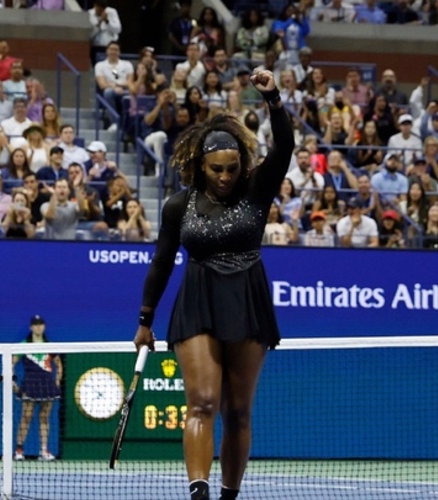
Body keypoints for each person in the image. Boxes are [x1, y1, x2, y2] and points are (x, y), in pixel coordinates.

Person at [132, 68, 294, 500]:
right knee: (202, 402)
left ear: (242, 163)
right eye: (216, 169)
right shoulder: (178, 205)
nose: (225, 177)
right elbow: (162, 263)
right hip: (198, 299)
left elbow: (286, 146)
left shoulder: (257, 189)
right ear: (200, 165)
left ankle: (228, 495)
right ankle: (199, 493)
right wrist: (145, 320)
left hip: (247, 297)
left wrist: (273, 98)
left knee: (238, 412)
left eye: (232, 168)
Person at [12, 314, 63, 461]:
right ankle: (19, 450)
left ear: (44, 326)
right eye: (35, 324)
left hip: (47, 385)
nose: (38, 327)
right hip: (30, 384)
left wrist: (57, 382)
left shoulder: (49, 346)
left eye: (40, 324)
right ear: (31, 327)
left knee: (44, 418)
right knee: (26, 417)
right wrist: (13, 383)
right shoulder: (24, 345)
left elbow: (59, 364)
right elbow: (11, 363)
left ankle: (44, 451)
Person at [94, 41, 134, 132]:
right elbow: (102, 84)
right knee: (108, 92)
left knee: (134, 93)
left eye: (116, 50)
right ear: (107, 51)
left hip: (126, 90)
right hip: (110, 90)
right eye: (111, 49)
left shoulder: (127, 64)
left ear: (119, 52)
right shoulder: (100, 65)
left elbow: (130, 83)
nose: (113, 52)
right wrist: (115, 87)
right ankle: (115, 123)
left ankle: (129, 125)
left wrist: (117, 85)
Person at [271, 2, 312, 68]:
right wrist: (291, 19)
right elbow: (278, 31)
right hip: (285, 51)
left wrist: (303, 16)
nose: (291, 13)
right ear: (284, 11)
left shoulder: (298, 24)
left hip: (298, 52)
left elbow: (306, 31)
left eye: (293, 11)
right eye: (289, 11)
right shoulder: (279, 22)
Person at [88, 0, 122, 66]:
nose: (100, 12)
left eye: (102, 10)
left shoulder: (112, 12)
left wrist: (107, 21)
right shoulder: (89, 14)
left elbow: (118, 30)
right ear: (95, 6)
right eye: (98, 10)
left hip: (110, 46)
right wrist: (100, 22)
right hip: (96, 47)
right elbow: (90, 34)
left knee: (112, 66)